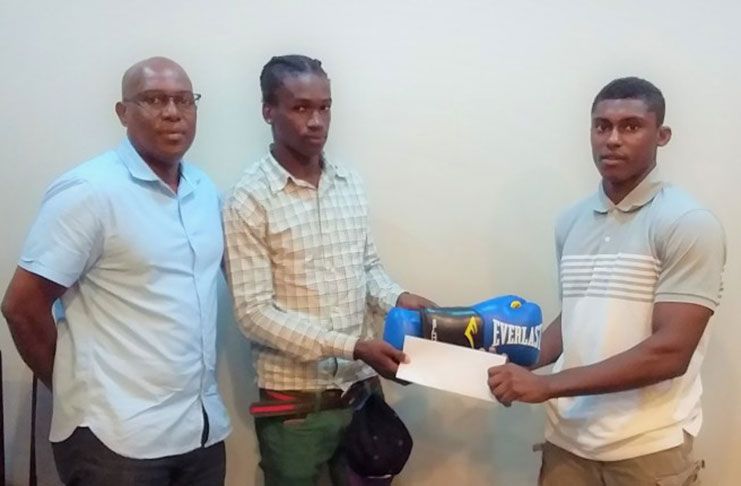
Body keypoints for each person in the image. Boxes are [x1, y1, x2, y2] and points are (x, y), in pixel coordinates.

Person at [1, 57, 230, 485]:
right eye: (154, 99)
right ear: (123, 112)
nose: (172, 112)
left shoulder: (203, 191)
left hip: (198, 431)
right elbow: (21, 306)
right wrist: (73, 388)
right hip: (115, 440)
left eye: (184, 100)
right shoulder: (89, 192)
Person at [487, 77, 726, 485]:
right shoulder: (571, 221)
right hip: (566, 444)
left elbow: (670, 352)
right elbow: (577, 319)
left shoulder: (687, 223)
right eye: (602, 126)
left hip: (647, 449)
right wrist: (511, 361)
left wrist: (547, 386)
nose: (612, 139)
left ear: (661, 135)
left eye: (631, 126)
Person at [223, 54, 435, 486]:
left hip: (361, 396)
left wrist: (399, 298)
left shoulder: (348, 183)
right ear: (268, 111)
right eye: (301, 107)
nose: (316, 120)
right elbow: (253, 314)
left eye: (325, 106)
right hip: (295, 411)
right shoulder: (248, 198)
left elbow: (369, 269)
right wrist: (353, 346)